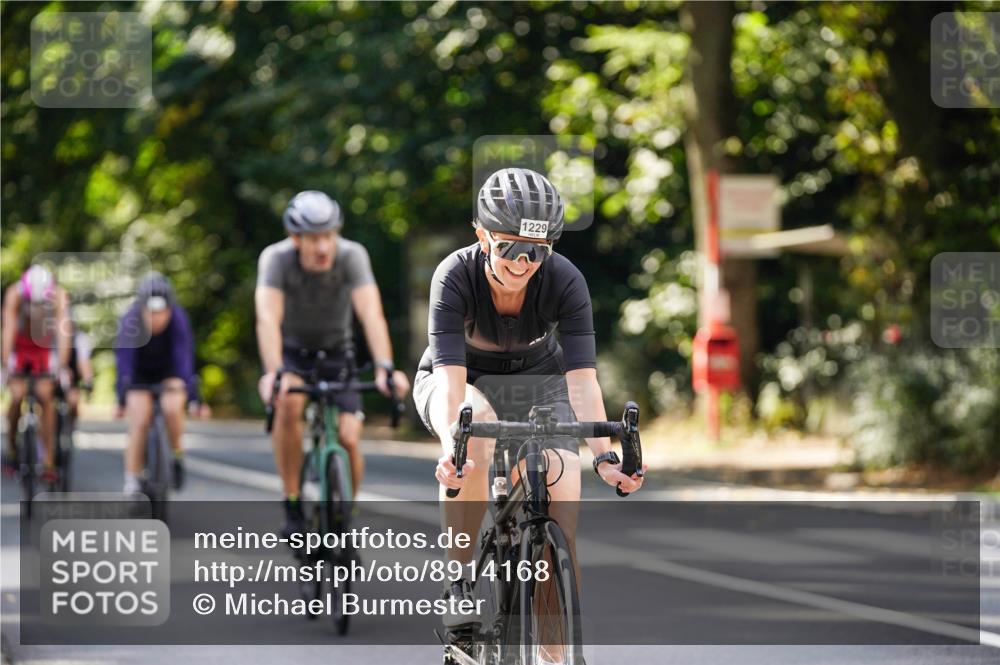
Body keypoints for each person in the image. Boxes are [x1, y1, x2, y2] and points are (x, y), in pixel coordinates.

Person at [412, 167, 646, 664]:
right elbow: (453, 387)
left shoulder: (564, 279)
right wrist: (454, 450)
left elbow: (582, 381)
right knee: (474, 427)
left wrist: (606, 458)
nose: (523, 262)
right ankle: (461, 588)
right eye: (508, 248)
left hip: (539, 384)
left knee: (560, 509)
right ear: (482, 235)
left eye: (536, 251)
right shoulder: (454, 276)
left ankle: (555, 655)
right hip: (460, 382)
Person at [255, 190, 410, 538]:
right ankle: (292, 501)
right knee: (288, 402)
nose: (323, 247)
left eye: (329, 236)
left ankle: (346, 513)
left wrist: (385, 366)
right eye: (313, 239)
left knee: (349, 437)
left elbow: (372, 315)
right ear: (295, 238)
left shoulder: (352, 255)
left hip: (338, 354)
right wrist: (273, 373)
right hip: (293, 354)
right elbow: (267, 318)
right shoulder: (276, 259)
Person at [114, 272, 197, 495]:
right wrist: (122, 397)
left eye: (161, 313)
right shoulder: (130, 321)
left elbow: (184, 359)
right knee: (139, 420)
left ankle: (177, 455)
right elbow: (124, 362)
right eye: (151, 313)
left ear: (169, 310)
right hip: (139, 374)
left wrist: (192, 396)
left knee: (172, 408)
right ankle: (132, 479)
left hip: (167, 371)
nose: (156, 319)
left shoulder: (179, 320)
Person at [1, 266, 72, 483]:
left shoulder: (59, 296)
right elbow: (8, 329)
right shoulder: (14, 293)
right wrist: (6, 363)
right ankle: (12, 448)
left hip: (43, 349)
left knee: (45, 397)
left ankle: (48, 460)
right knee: (16, 395)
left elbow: (63, 333)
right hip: (19, 349)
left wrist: (61, 365)